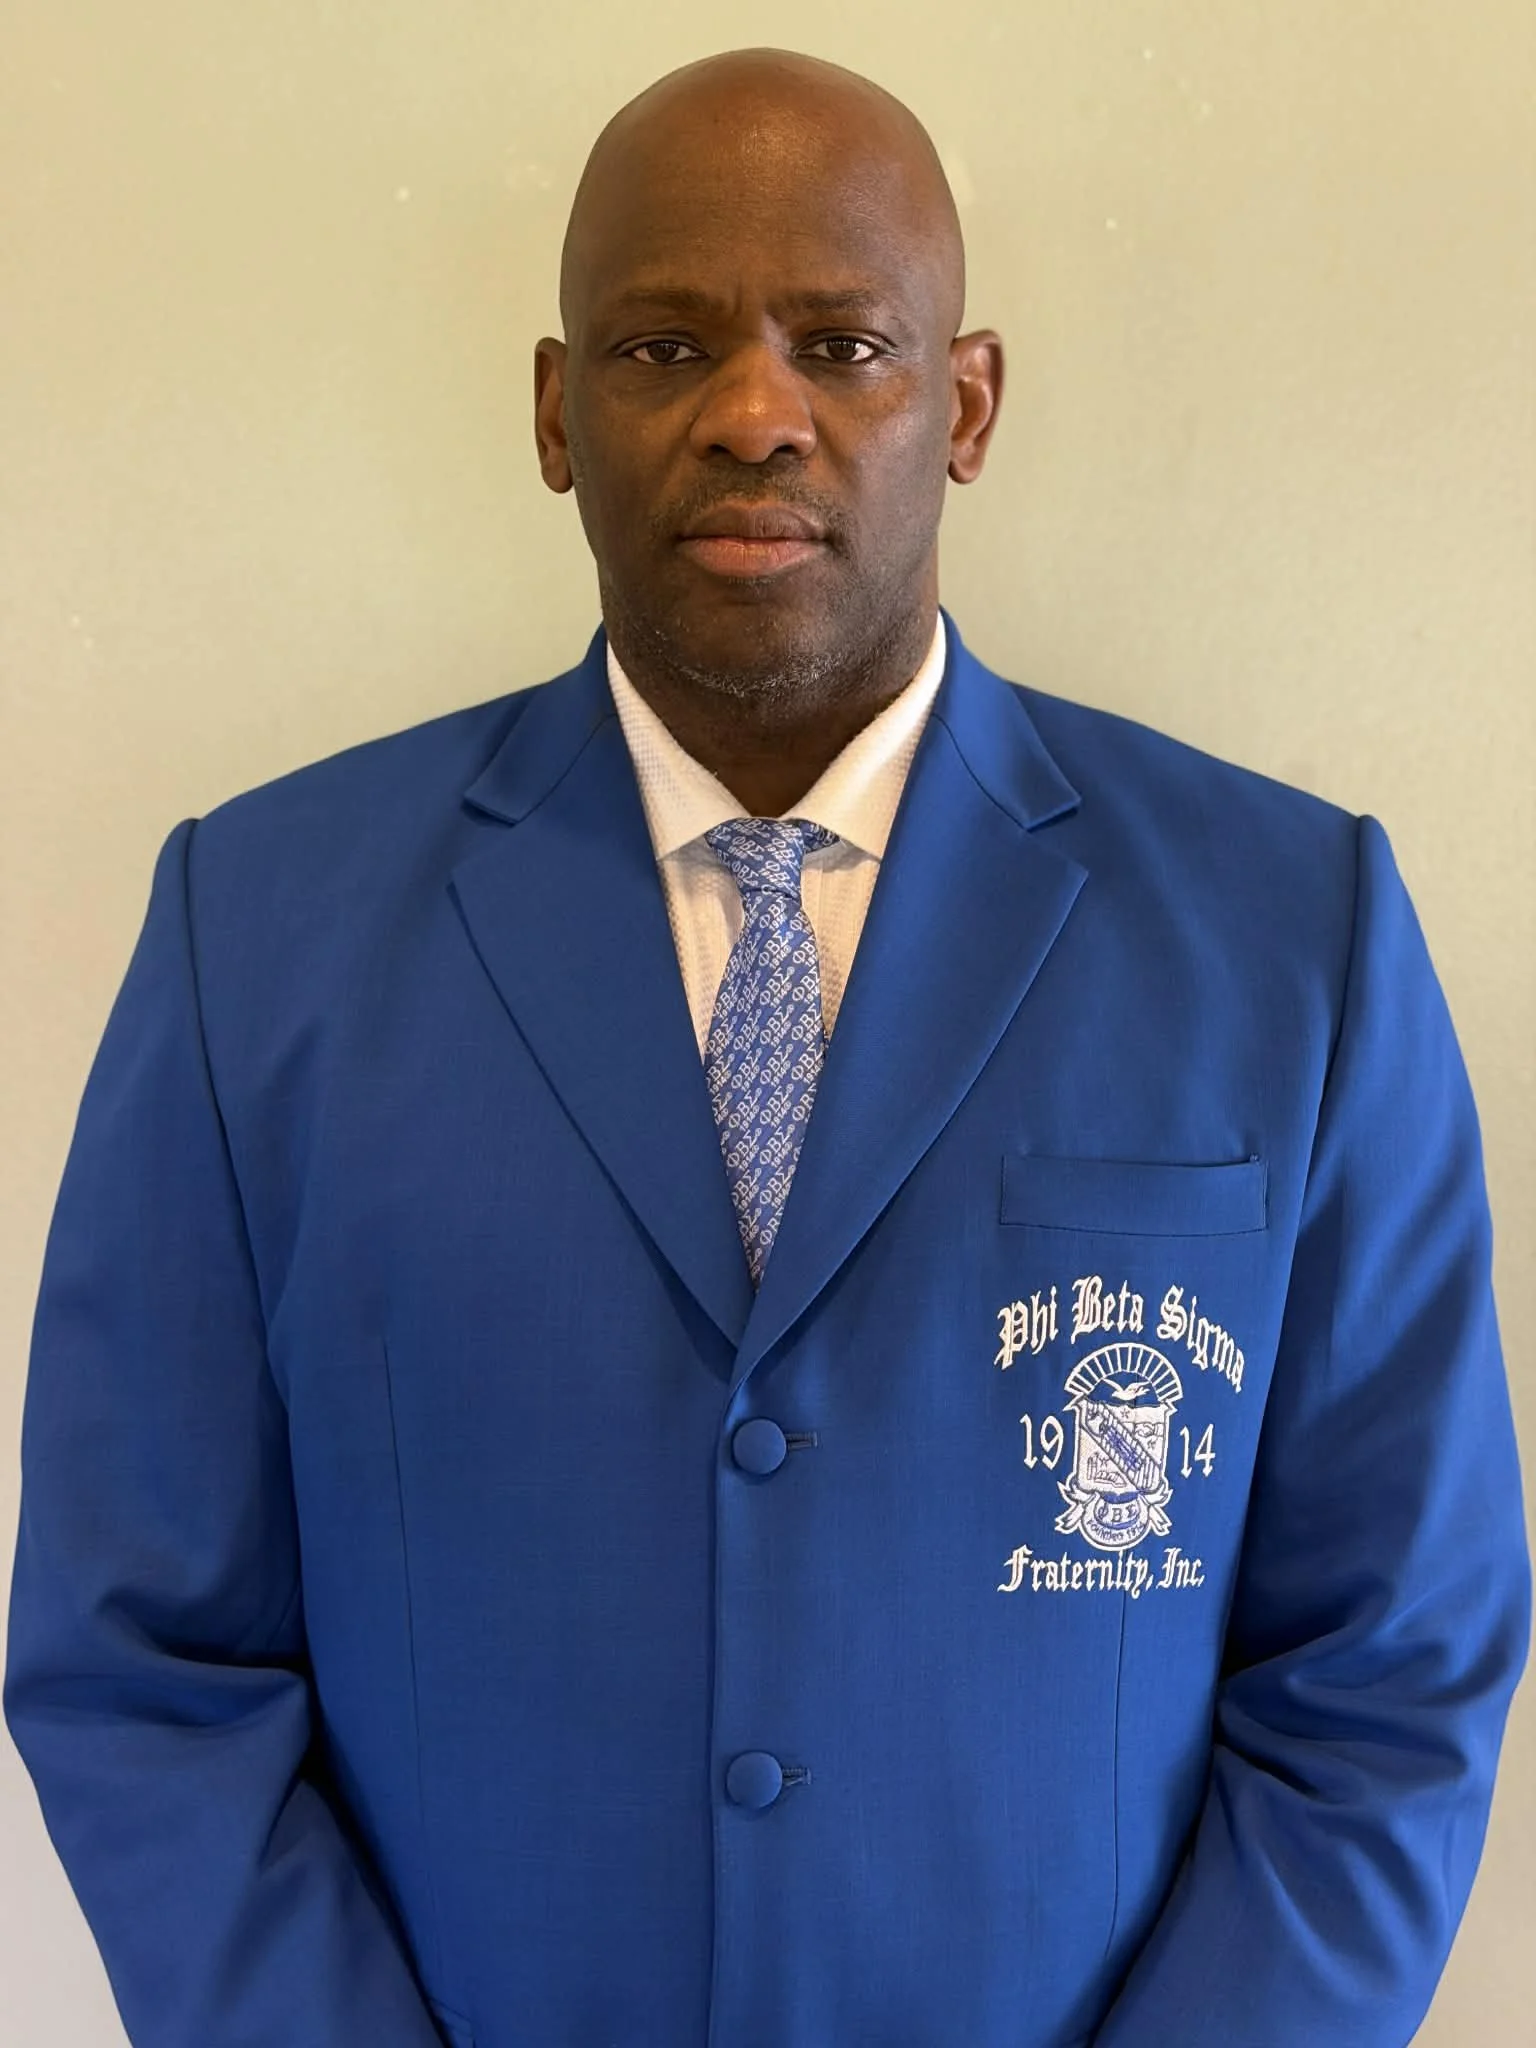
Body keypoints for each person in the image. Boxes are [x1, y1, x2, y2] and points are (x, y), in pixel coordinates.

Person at [5, 45, 1528, 2048]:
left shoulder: (1290, 934)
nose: (753, 412)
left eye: (843, 344)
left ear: (963, 406)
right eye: (662, 348)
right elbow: (142, 1661)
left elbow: (1390, 1667)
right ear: (556, 414)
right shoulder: (258, 933)